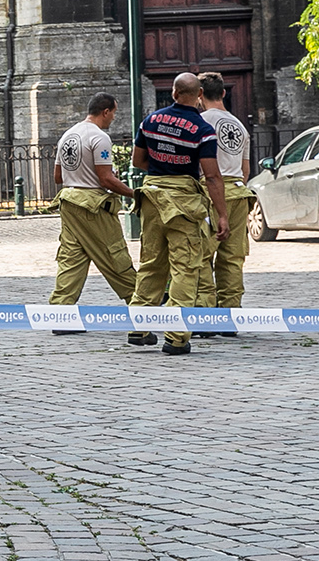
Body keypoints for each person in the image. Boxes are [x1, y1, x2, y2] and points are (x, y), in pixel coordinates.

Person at [126, 71, 229, 355]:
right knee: (186, 268)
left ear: (173, 93)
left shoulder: (151, 121)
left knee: (150, 263)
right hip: (184, 205)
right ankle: (176, 336)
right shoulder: (202, 130)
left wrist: (163, 172)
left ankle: (139, 327)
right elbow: (211, 176)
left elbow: (138, 161)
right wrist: (221, 215)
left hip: (151, 198)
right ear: (198, 96)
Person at [47, 93, 138, 317]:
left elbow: (58, 176)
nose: (113, 118)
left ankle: (61, 313)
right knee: (113, 254)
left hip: (69, 203)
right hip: (93, 206)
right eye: (114, 113)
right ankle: (140, 304)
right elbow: (106, 179)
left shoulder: (68, 135)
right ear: (105, 111)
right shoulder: (99, 138)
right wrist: (134, 194)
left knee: (72, 258)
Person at [194, 71, 253, 333]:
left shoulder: (200, 122)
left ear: (199, 96)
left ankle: (206, 317)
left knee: (201, 255)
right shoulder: (239, 125)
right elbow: (246, 169)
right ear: (224, 93)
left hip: (211, 192)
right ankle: (230, 316)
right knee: (232, 257)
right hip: (239, 194)